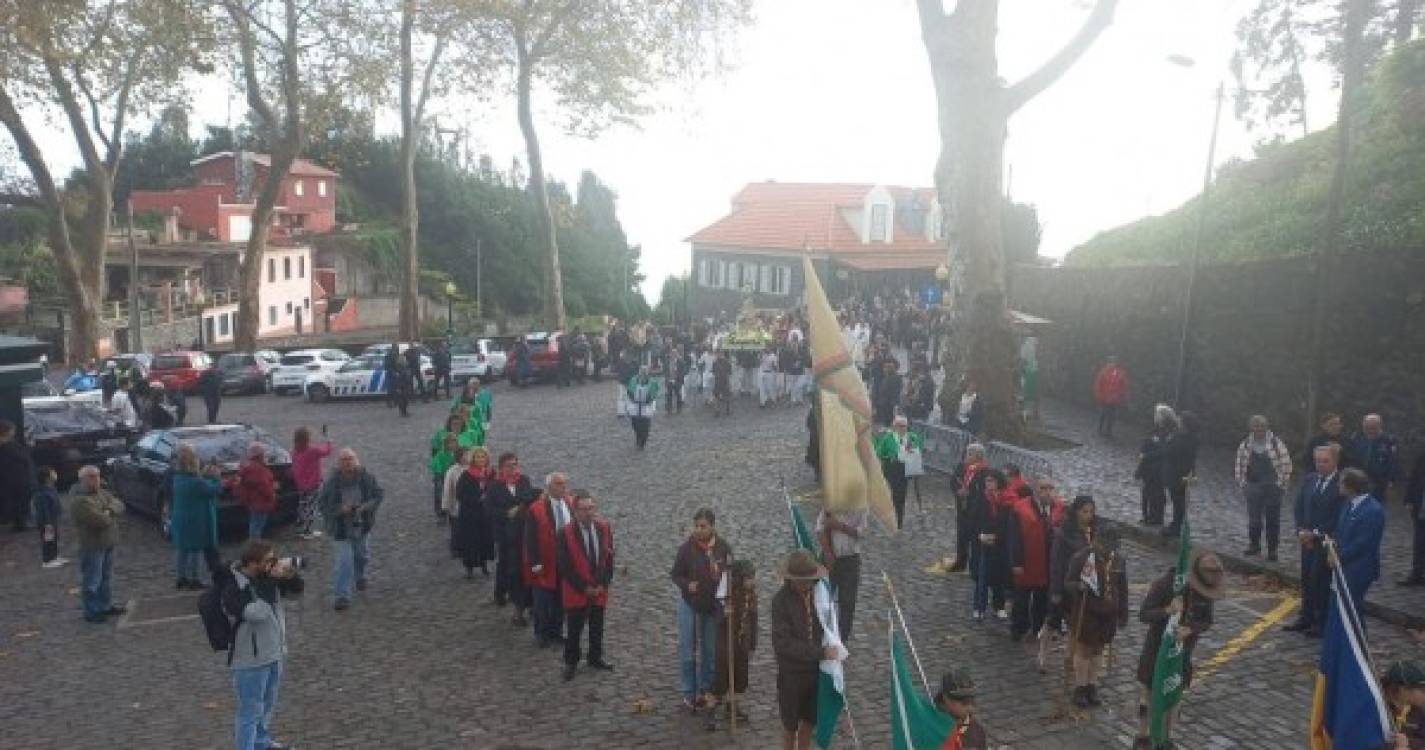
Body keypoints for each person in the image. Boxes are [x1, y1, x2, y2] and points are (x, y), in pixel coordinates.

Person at [1132, 550, 1225, 749]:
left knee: (1174, 696)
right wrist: (1167, 610)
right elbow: (1144, 614)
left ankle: (1166, 739)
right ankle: (1142, 736)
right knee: (1149, 693)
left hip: (1183, 652)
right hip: (1156, 649)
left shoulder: (1205, 591)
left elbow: (1206, 620)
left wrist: (1190, 629)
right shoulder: (1165, 584)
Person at [221, 539, 304, 750]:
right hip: (250, 661)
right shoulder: (233, 587)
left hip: (273, 654)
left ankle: (260, 744)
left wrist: (291, 576)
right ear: (252, 563)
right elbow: (255, 613)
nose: (272, 564)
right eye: (268, 561)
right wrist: (269, 583)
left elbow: (296, 594)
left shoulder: (265, 578)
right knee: (249, 713)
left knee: (266, 707)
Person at [771, 549, 835, 750]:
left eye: (811, 579)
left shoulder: (819, 595)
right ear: (792, 579)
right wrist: (820, 653)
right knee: (790, 726)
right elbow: (784, 644)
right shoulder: (780, 602)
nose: (809, 584)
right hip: (791, 674)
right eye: (805, 580)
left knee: (809, 722)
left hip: (814, 672)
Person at [671, 508, 734, 712]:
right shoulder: (686, 549)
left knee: (709, 649)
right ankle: (689, 691)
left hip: (712, 606)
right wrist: (687, 584)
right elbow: (676, 574)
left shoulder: (723, 548)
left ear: (712, 527)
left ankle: (705, 687)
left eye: (703, 526)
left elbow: (729, 575)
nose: (698, 530)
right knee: (688, 649)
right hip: (689, 603)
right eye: (696, 526)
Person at [1064, 527, 1128, 708]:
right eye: (1105, 545)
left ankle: (1092, 685)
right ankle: (1080, 687)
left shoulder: (1119, 560)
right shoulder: (1082, 558)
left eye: (1113, 546)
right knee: (1084, 651)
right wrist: (1079, 586)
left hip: (1108, 614)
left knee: (1099, 650)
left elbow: (1122, 588)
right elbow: (1068, 583)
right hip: (1087, 612)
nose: (1109, 550)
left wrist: (1123, 612)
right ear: (1097, 541)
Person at [1284, 445, 1344, 638]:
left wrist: (1315, 534)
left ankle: (1321, 622)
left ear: (1335, 461)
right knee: (1307, 579)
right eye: (1318, 461)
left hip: (1326, 542)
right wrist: (1301, 530)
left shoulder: (1341, 484)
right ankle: (1305, 617)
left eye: (1325, 461)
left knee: (1321, 582)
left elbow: (1338, 516)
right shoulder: (1310, 479)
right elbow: (1299, 506)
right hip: (1306, 540)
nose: (1320, 465)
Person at [316, 448, 384, 612]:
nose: (348, 462)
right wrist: (341, 509)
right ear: (339, 463)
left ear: (356, 460)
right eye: (344, 460)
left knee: (362, 556)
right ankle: (342, 596)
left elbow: (378, 495)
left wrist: (365, 507)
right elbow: (322, 505)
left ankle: (360, 575)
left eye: (350, 458)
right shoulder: (331, 483)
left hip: (362, 525)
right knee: (344, 561)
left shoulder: (366, 477)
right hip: (340, 529)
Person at [557, 491, 615, 681]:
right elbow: (564, 566)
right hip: (576, 590)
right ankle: (571, 662)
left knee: (597, 625)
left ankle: (595, 657)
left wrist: (604, 583)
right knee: (574, 628)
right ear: (575, 511)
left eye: (591, 508)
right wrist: (584, 587)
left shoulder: (604, 527)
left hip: (599, 588)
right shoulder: (565, 533)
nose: (589, 513)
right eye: (584, 509)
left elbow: (608, 558)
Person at [1005, 480, 1064, 643]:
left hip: (1047, 563)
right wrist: (1016, 562)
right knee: (1021, 600)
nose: (1047, 491)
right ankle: (1018, 628)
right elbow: (1014, 538)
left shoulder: (1059, 508)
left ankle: (1038, 628)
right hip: (1026, 561)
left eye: (1050, 487)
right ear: (1034, 490)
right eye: (1043, 488)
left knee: (1042, 600)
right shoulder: (1020, 508)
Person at [70, 465, 126, 623]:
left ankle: (105, 606)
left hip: (107, 542)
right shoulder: (79, 500)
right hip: (92, 545)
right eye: (92, 476)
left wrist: (108, 510)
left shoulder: (101, 493)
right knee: (92, 581)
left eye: (97, 476)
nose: (96, 480)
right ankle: (91, 611)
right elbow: (100, 520)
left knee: (106, 578)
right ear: (83, 479)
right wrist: (109, 512)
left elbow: (119, 504)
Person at [1234, 415, 1293, 561]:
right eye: (1256, 426)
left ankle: (1272, 550)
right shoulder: (1246, 444)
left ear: (1267, 427)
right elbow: (1239, 464)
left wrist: (1281, 485)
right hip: (1253, 486)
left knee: (1273, 520)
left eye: (1262, 426)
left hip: (1272, 487)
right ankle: (1254, 545)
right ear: (1251, 427)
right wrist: (1243, 484)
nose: (1259, 428)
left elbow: (1287, 464)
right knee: (1254, 519)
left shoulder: (1276, 443)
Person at [525, 473, 574, 649]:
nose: (563, 487)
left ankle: (556, 631)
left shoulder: (570, 503)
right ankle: (541, 632)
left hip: (565, 561)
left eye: (564, 483)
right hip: (545, 562)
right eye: (559, 484)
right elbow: (530, 538)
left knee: (561, 599)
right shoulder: (536, 509)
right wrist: (535, 563)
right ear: (549, 487)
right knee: (542, 600)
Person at [1050, 496, 1099, 666]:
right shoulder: (1064, 533)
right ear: (1076, 512)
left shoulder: (1095, 531)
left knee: (1082, 622)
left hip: (1089, 585)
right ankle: (1066, 657)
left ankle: (1076, 656)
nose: (1089, 515)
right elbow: (1056, 563)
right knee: (1070, 623)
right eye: (1085, 511)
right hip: (1070, 583)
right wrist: (1056, 590)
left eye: (1091, 511)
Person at [1331, 467, 1385, 617]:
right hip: (1344, 565)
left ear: (1351, 487)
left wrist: (1338, 556)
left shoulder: (1373, 510)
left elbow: (1364, 543)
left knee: (1352, 611)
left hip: (1359, 568)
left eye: (1341, 483)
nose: (1338, 486)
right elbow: (1340, 530)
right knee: (1341, 609)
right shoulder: (1349, 503)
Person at [487, 451, 534, 623]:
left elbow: (530, 497)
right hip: (506, 536)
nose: (512, 468)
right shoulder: (494, 486)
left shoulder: (524, 480)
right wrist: (507, 513)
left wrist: (520, 506)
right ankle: (516, 607)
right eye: (508, 465)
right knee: (511, 570)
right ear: (501, 468)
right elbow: (489, 510)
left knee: (527, 569)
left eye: (515, 464)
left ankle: (529, 605)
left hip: (525, 533)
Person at [712, 559, 757, 726]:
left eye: (753, 577)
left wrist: (752, 643)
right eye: (748, 578)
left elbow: (753, 620)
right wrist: (724, 613)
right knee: (721, 677)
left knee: (740, 676)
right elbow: (716, 618)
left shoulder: (751, 596)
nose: (752, 581)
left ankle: (733, 705)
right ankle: (712, 709)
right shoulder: (726, 596)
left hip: (742, 644)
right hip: (725, 643)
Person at [172, 444, 222, 589]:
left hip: (180, 518)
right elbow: (212, 490)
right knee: (195, 549)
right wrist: (216, 477)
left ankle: (181, 577)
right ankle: (195, 578)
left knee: (182, 549)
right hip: (195, 519)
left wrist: (206, 476)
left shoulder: (178, 478)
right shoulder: (195, 482)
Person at [816, 507, 867, 641]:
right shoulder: (830, 504)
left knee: (847, 604)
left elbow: (861, 533)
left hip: (850, 559)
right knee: (824, 600)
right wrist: (827, 552)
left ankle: (842, 640)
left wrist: (840, 526)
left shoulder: (861, 505)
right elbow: (819, 528)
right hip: (829, 557)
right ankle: (821, 637)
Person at [967, 469, 1010, 621]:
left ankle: (999, 606)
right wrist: (980, 535)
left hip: (999, 543)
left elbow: (1007, 523)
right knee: (982, 576)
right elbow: (973, 519)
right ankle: (979, 607)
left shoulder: (1006, 499)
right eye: (987, 481)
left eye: (991, 481)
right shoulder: (981, 498)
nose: (988, 484)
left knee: (999, 576)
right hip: (982, 543)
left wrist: (997, 536)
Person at [873, 416, 924, 528]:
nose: (902, 428)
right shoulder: (888, 437)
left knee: (901, 495)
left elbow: (919, 448)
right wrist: (890, 456)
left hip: (906, 468)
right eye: (899, 426)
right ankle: (895, 517)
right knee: (896, 493)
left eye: (904, 426)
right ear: (894, 426)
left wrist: (912, 451)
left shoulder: (912, 437)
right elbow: (879, 452)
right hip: (892, 468)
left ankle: (898, 518)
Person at [453, 447, 496, 578]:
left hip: (485, 513)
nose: (481, 460)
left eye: (483, 457)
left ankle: (484, 564)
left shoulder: (490, 474)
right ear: (473, 459)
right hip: (470, 514)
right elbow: (460, 494)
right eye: (478, 457)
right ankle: (469, 567)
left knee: (485, 539)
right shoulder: (466, 475)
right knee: (470, 540)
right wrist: (477, 498)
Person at [948, 443, 989, 572]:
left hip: (975, 512)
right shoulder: (962, 466)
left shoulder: (984, 472)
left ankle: (974, 566)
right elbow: (953, 481)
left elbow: (983, 492)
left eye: (970, 454)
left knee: (974, 539)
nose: (967, 456)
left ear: (978, 456)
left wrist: (970, 494)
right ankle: (960, 562)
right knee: (961, 537)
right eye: (967, 453)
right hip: (962, 508)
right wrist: (958, 490)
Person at [1135, 404, 1176, 527]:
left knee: (1156, 493)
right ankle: (1147, 516)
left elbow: (1164, 450)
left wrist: (1147, 455)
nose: (1155, 416)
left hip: (1158, 468)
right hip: (1148, 467)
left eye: (1157, 414)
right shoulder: (1155, 429)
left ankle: (1156, 517)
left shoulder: (1169, 432)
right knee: (1147, 492)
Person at [1161, 409, 1199, 536]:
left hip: (1179, 472)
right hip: (1180, 471)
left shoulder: (1184, 438)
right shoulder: (1185, 436)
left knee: (1178, 500)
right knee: (1177, 499)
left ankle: (1176, 526)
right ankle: (1176, 524)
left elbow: (1171, 451)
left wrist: (1168, 441)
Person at [290, 427, 332, 540]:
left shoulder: (294, 451)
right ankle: (307, 531)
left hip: (301, 484)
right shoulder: (312, 450)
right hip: (314, 484)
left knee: (302, 505)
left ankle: (300, 526)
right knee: (311, 507)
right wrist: (328, 438)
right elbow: (327, 450)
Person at [933, 669, 989, 749]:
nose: (969, 706)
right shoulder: (930, 728)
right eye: (962, 700)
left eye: (971, 699)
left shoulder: (977, 731)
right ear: (946, 698)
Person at [1350, 414, 1401, 501]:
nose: (1370, 431)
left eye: (1373, 427)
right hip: (1358, 480)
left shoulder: (1388, 440)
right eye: (1367, 428)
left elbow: (1393, 462)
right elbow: (1351, 458)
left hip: (1379, 483)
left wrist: (1391, 480)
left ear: (1380, 426)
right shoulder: (1356, 438)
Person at [0, 419, 36, 532]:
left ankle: (19, 522)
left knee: (17, 500)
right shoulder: (8, 445)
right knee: (21, 500)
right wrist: (30, 446)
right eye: (12, 430)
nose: (14, 432)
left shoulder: (9, 444)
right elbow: (22, 456)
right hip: (17, 477)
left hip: (12, 476)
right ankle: (21, 523)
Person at [1381, 660, 1425, 748]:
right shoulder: (1375, 708)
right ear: (1402, 690)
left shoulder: (1420, 711)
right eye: (1423, 689)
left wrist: (1408, 742)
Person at [238, 443, 278, 541]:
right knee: (257, 526)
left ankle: (254, 544)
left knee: (254, 523)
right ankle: (255, 546)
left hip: (253, 501)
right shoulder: (259, 470)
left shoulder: (248, 467)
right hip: (261, 502)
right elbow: (264, 487)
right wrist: (272, 495)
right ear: (260, 456)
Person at [32, 466, 67, 568]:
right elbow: (43, 510)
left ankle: (54, 557)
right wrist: (47, 523)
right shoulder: (41, 492)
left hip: (53, 520)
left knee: (54, 539)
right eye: (52, 473)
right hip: (47, 522)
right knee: (48, 540)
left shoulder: (51, 488)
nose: (55, 475)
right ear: (47, 478)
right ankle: (47, 560)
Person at [1400, 449, 1425, 587]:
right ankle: (1417, 573)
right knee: (1419, 542)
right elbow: (1414, 478)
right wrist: (1409, 499)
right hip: (1421, 506)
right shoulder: (1422, 455)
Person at [440, 447, 469, 558]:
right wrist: (446, 505)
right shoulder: (452, 471)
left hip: (467, 505)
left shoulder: (472, 468)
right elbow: (448, 489)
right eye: (464, 455)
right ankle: (455, 548)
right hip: (455, 506)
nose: (467, 457)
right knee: (455, 529)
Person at [1093, 356, 1129, 438]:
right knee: (1103, 413)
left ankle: (1108, 431)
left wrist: (1123, 396)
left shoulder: (1120, 373)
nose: (1112, 364)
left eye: (1113, 363)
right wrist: (1099, 395)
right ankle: (1100, 428)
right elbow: (1098, 384)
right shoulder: (1103, 372)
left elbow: (1123, 385)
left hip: (1114, 398)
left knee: (1112, 415)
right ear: (1108, 363)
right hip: (1104, 397)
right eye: (1110, 362)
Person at [625, 365, 659, 450]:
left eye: (645, 371)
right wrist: (632, 397)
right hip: (635, 406)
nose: (643, 372)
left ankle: (642, 442)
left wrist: (649, 398)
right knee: (635, 424)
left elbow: (654, 392)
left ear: (648, 372)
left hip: (646, 407)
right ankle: (638, 437)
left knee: (645, 425)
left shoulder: (652, 382)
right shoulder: (633, 380)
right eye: (641, 370)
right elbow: (629, 391)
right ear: (639, 371)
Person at [430, 433, 460, 525]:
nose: (451, 445)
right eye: (449, 443)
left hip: (455, 477)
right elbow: (436, 464)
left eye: (453, 442)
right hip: (443, 476)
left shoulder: (458, 454)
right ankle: (441, 514)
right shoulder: (441, 454)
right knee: (440, 493)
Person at [873, 359, 903, 427]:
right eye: (885, 367)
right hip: (885, 406)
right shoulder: (886, 377)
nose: (885, 369)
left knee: (887, 423)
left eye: (887, 367)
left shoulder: (893, 379)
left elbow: (888, 393)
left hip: (888, 406)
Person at [712, 351, 733, 417]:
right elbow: (714, 371)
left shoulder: (727, 362)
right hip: (717, 381)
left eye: (720, 354)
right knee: (716, 396)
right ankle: (717, 410)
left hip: (725, 380)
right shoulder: (715, 362)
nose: (718, 355)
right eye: (717, 354)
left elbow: (730, 372)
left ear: (723, 354)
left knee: (727, 396)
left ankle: (728, 408)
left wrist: (728, 381)